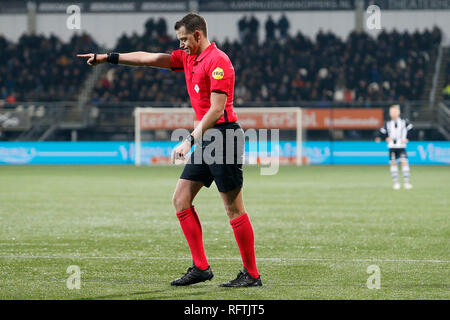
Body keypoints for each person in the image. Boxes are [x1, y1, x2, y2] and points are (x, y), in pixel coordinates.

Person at [77, 13, 261, 287]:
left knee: (233, 209)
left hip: (224, 138)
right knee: (180, 199)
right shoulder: (188, 58)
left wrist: (189, 139)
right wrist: (108, 57)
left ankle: (252, 274)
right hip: (207, 139)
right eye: (179, 40)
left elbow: (217, 109)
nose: (182, 45)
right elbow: (148, 58)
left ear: (198, 35)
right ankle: (201, 267)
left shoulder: (218, 61)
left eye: (185, 39)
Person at [376, 104, 413, 190]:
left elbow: (412, 130)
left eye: (394, 111)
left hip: (401, 146)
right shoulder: (388, 124)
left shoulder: (404, 122)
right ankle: (396, 183)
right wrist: (384, 138)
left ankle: (406, 183)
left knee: (404, 162)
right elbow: (381, 133)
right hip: (392, 147)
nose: (393, 113)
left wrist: (408, 138)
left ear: (398, 112)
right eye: (391, 112)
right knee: (393, 163)